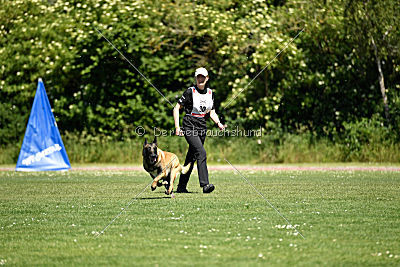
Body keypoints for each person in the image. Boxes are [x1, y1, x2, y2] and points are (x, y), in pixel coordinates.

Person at [173, 67, 226, 193]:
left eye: (203, 77)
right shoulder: (189, 91)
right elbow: (176, 108)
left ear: (207, 78)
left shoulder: (210, 93)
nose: (200, 79)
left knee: (191, 157)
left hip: (202, 125)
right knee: (201, 153)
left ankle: (181, 187)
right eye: (198, 77)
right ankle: (205, 184)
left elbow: (212, 112)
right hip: (189, 124)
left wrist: (218, 123)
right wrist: (177, 127)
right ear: (196, 78)